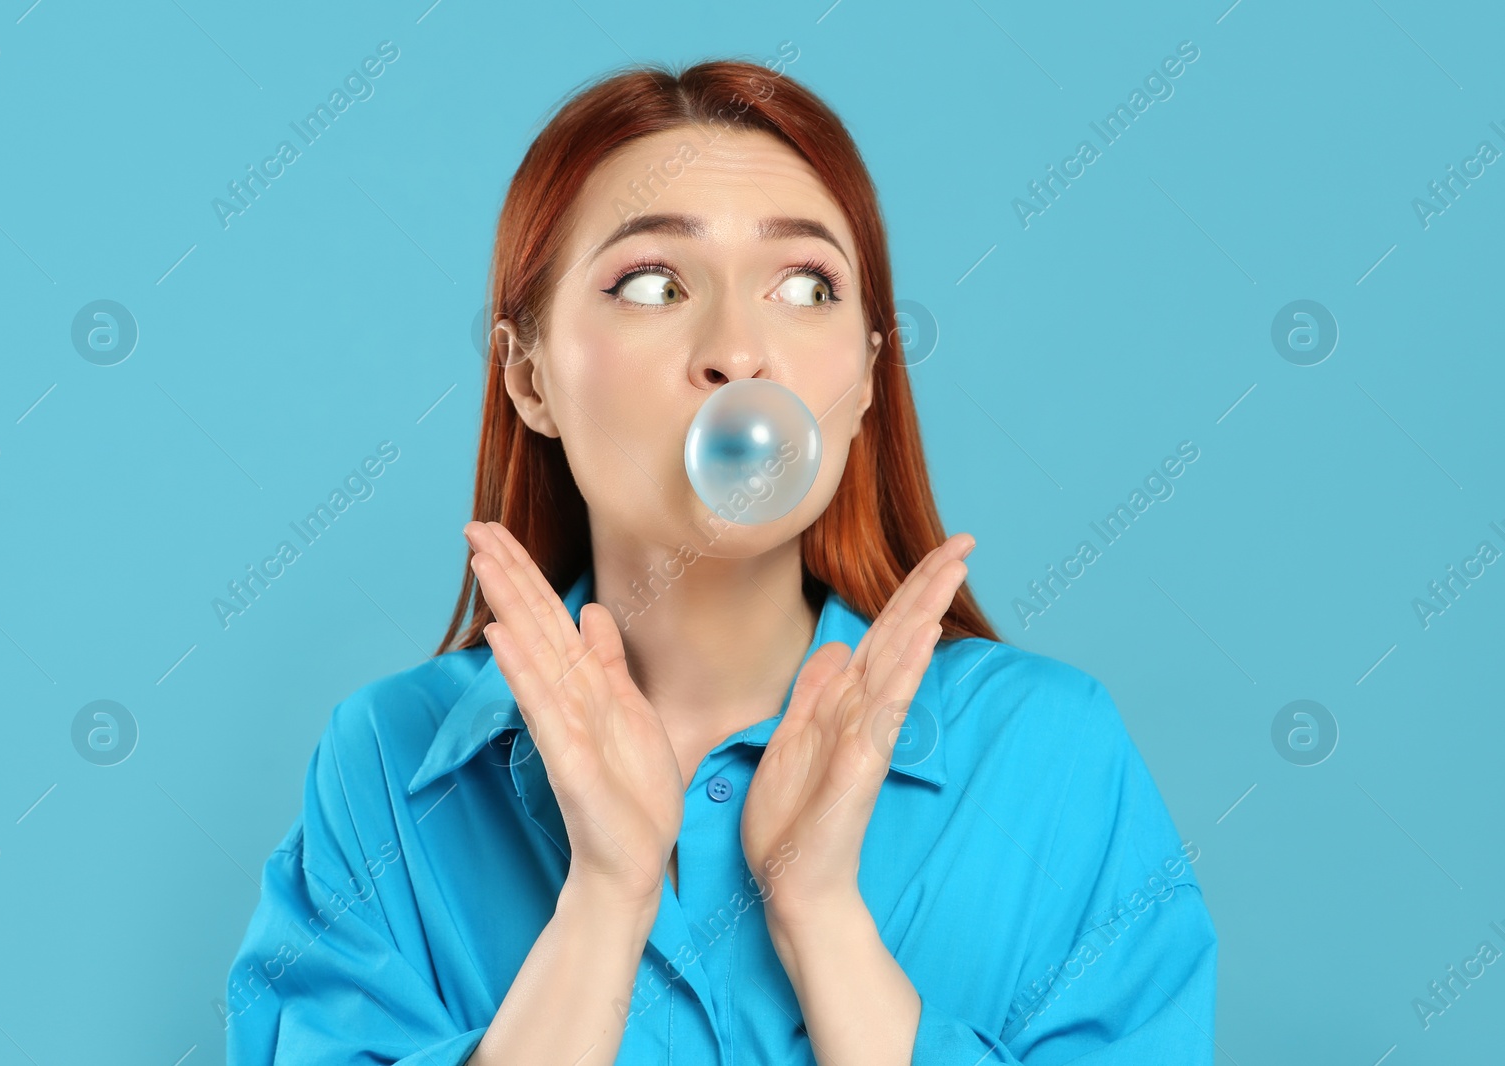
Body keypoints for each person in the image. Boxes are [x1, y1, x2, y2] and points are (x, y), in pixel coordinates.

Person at [225, 58, 1217, 1065]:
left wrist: (819, 917)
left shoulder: (1049, 752)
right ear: (527, 375)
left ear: (868, 373)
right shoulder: (390, 763)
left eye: (804, 285)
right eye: (652, 283)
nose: (739, 350)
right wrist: (604, 898)